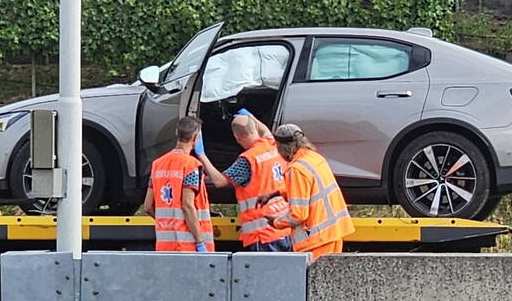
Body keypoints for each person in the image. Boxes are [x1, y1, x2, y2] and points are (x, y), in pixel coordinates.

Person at [197, 109, 293, 252]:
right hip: (285, 227)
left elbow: (219, 181)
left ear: (237, 138)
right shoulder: (272, 143)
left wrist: (201, 155)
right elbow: (265, 130)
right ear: (254, 128)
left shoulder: (247, 160)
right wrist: (251, 116)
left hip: (264, 235)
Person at [263, 123, 354, 261]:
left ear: (282, 146)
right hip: (334, 233)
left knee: (313, 281)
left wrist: (276, 222)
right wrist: (277, 193)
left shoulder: (296, 169)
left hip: (316, 240)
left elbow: (298, 216)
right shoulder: (314, 158)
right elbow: (310, 192)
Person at [141, 115, 214, 252]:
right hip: (188, 247)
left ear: (177, 133)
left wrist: (168, 224)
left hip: (164, 246)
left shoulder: (157, 165)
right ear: (196, 138)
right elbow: (187, 205)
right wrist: (199, 242)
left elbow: (147, 207)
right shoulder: (192, 166)